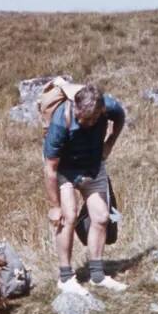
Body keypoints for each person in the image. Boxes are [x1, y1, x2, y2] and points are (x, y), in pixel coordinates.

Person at [43, 83, 128, 295]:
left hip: (93, 167)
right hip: (65, 170)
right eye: (84, 119)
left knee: (101, 217)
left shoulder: (109, 107)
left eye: (94, 119)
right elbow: (50, 169)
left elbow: (120, 117)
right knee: (67, 216)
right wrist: (55, 206)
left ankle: (97, 276)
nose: (89, 123)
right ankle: (65, 278)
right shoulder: (60, 122)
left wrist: (109, 142)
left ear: (101, 111)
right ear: (76, 109)